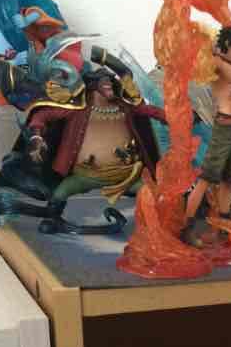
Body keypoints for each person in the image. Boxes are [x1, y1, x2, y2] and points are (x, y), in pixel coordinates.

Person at [25, 56, 165, 233]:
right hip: (87, 174)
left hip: (127, 175)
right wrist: (36, 137)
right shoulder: (79, 109)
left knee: (152, 193)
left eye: (110, 81)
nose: (109, 84)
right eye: (104, 82)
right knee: (60, 193)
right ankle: (52, 218)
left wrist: (175, 117)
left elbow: (149, 110)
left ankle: (157, 227)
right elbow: (42, 115)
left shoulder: (124, 106)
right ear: (93, 85)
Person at [185, 24, 231, 221]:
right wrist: (207, 48)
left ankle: (224, 221)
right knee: (207, 177)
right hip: (223, 126)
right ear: (227, 43)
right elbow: (199, 69)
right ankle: (188, 224)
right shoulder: (217, 62)